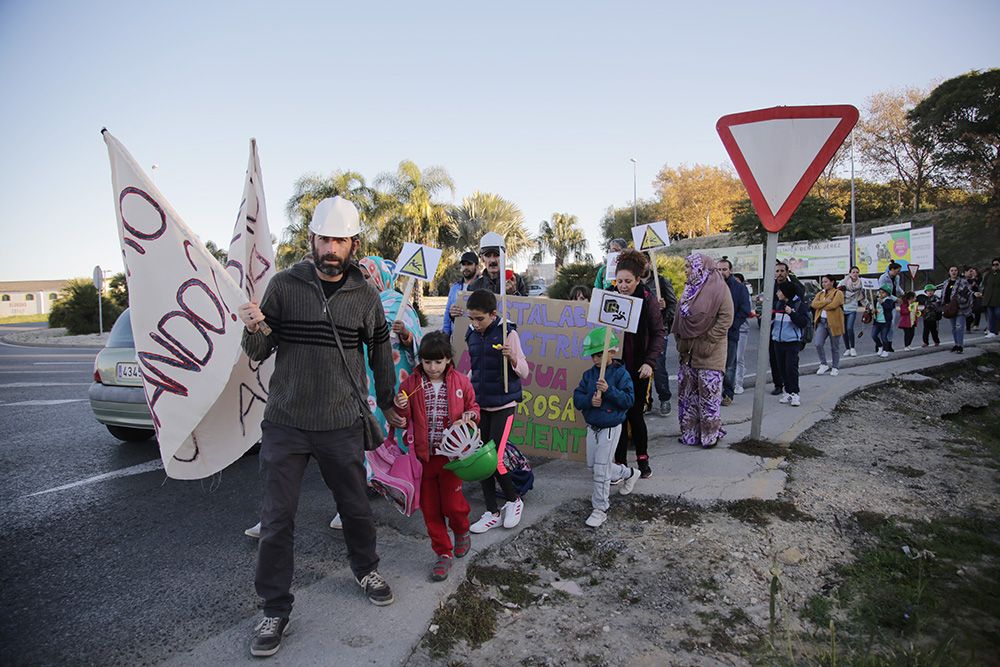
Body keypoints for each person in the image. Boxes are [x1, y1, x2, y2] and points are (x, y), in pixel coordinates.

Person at [237, 196, 401, 657]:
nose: (331, 247)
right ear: (311, 238)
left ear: (353, 244)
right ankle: (274, 608)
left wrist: (389, 404)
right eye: (324, 238)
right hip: (286, 422)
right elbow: (256, 350)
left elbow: (380, 354)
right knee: (276, 520)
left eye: (340, 240)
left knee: (355, 507)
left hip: (341, 421)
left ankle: (366, 568)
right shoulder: (284, 285)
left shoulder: (366, 295)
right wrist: (253, 325)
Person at [392, 332, 478, 581]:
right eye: (427, 362)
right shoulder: (411, 384)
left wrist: (471, 416)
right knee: (430, 510)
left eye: (438, 362)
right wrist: (400, 404)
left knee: (452, 504)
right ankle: (443, 553)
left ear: (448, 360)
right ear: (421, 360)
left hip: (452, 457)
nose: (432, 367)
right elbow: (403, 417)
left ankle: (461, 530)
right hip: (424, 459)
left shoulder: (461, 382)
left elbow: (473, 407)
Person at [464, 289, 530, 533]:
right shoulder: (471, 334)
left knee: (495, 458)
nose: (475, 323)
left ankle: (514, 500)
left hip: (504, 404)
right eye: (471, 318)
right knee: (481, 458)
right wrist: (464, 389)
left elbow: (524, 371)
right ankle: (491, 512)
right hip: (481, 404)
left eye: (479, 318)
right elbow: (475, 370)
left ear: (493, 314)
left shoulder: (508, 333)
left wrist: (512, 357)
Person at [573, 327, 639, 528]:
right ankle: (629, 473)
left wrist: (609, 391)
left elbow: (628, 400)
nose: (596, 359)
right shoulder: (588, 375)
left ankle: (600, 509)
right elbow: (577, 397)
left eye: (600, 354)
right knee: (595, 467)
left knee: (601, 470)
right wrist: (588, 401)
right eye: (593, 355)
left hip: (610, 427)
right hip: (592, 427)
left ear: (611, 351)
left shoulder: (621, 374)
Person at [612, 250, 665, 477]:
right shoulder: (610, 298)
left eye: (628, 281)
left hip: (639, 369)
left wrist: (649, 363)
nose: (623, 286)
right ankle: (620, 464)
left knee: (635, 415)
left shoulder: (648, 299)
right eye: (619, 281)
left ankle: (643, 461)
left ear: (638, 280)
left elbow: (658, 333)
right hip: (616, 369)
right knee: (619, 418)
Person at [673, 254, 734, 446]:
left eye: (689, 267)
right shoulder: (688, 291)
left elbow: (726, 318)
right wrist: (681, 340)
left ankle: (709, 436)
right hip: (688, 354)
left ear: (701, 269)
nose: (686, 271)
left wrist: (708, 339)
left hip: (710, 353)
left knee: (708, 397)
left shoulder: (719, 289)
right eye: (686, 267)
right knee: (689, 397)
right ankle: (690, 435)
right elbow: (680, 319)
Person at [641, 252, 678, 416]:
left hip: (658, 331)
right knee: (641, 366)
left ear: (649, 263)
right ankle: (646, 401)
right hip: (640, 332)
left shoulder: (661, 281)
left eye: (644, 262)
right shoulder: (634, 283)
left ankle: (664, 398)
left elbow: (673, 304)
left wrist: (663, 317)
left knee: (658, 366)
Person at [768, 262, 805, 396]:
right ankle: (778, 384)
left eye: (782, 271)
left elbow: (801, 306)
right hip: (775, 329)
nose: (779, 274)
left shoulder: (795, 286)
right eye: (777, 271)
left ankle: (793, 390)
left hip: (791, 333)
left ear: (787, 272)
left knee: (790, 365)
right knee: (775, 359)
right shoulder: (770, 286)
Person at [771, 281, 809, 407]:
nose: (777, 293)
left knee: (791, 368)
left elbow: (803, 322)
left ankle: (795, 393)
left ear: (786, 292)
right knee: (781, 368)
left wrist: (791, 313)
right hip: (778, 340)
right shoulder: (778, 303)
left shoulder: (798, 305)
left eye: (779, 291)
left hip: (792, 342)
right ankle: (787, 391)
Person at [719, 259, 751, 405]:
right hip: (714, 334)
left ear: (730, 270)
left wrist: (732, 325)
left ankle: (728, 394)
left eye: (724, 269)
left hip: (730, 333)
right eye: (718, 270)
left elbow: (744, 309)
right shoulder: (712, 286)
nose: (721, 272)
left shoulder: (739, 288)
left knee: (730, 365)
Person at [812, 274, 845, 376]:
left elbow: (833, 305)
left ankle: (835, 367)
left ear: (832, 282)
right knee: (818, 343)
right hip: (822, 322)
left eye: (826, 281)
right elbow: (813, 304)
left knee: (834, 346)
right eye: (823, 282)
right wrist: (825, 302)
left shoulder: (838, 293)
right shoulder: (820, 294)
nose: (824, 284)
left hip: (834, 322)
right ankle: (823, 364)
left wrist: (821, 305)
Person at [444, 251, 480, 336]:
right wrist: (445, 335)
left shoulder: (483, 286)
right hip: (457, 335)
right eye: (463, 264)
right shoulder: (454, 288)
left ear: (477, 266)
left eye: (469, 264)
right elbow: (447, 313)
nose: (466, 267)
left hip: (476, 336)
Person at [941, 265, 972, 353]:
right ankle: (956, 344)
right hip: (949, 308)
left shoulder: (963, 282)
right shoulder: (946, 282)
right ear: (949, 272)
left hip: (960, 308)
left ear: (958, 272)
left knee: (959, 327)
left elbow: (968, 293)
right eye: (952, 270)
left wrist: (961, 300)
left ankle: (960, 346)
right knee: (954, 328)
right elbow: (943, 294)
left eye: (955, 270)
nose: (954, 272)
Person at [839, 266, 865, 357]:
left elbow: (862, 297)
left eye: (857, 272)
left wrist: (868, 306)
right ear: (850, 273)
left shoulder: (861, 283)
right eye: (853, 272)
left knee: (849, 328)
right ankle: (847, 348)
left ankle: (853, 348)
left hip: (852, 308)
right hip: (843, 307)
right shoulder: (844, 282)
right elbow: (838, 294)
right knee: (844, 330)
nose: (855, 274)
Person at [732, 273, 752, 395]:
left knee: (739, 357)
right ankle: (730, 382)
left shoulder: (744, 293)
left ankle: (739, 383)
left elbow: (746, 310)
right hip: (729, 330)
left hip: (741, 329)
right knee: (730, 358)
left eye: (737, 281)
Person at [878, 262, 904, 351]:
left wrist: (903, 294)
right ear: (892, 269)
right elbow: (883, 292)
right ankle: (880, 344)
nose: (899, 272)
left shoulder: (897, 277)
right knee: (882, 324)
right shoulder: (883, 278)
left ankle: (889, 344)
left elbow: (897, 287)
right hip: (884, 303)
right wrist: (896, 299)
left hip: (892, 304)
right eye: (898, 270)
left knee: (891, 324)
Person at [871, 286, 895, 357]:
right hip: (877, 321)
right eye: (880, 292)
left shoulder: (889, 300)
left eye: (883, 293)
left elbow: (889, 308)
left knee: (884, 337)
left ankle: (886, 350)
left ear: (887, 294)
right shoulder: (876, 300)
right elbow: (874, 308)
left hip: (885, 322)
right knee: (873, 335)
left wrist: (882, 303)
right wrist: (873, 311)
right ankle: (880, 347)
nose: (881, 294)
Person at [982, 257, 1000, 337]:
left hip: (998, 298)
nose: (995, 266)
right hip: (989, 298)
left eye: (997, 264)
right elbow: (985, 284)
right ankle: (992, 331)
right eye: (993, 264)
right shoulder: (989, 274)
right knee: (991, 315)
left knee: (998, 313)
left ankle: (997, 330)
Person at [966, 267, 982, 332]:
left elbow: (980, 286)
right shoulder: (968, 279)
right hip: (970, 296)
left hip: (977, 296)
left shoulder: (979, 279)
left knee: (977, 310)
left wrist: (975, 283)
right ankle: (969, 325)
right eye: (971, 271)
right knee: (968, 311)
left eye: (974, 272)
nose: (972, 273)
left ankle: (976, 324)